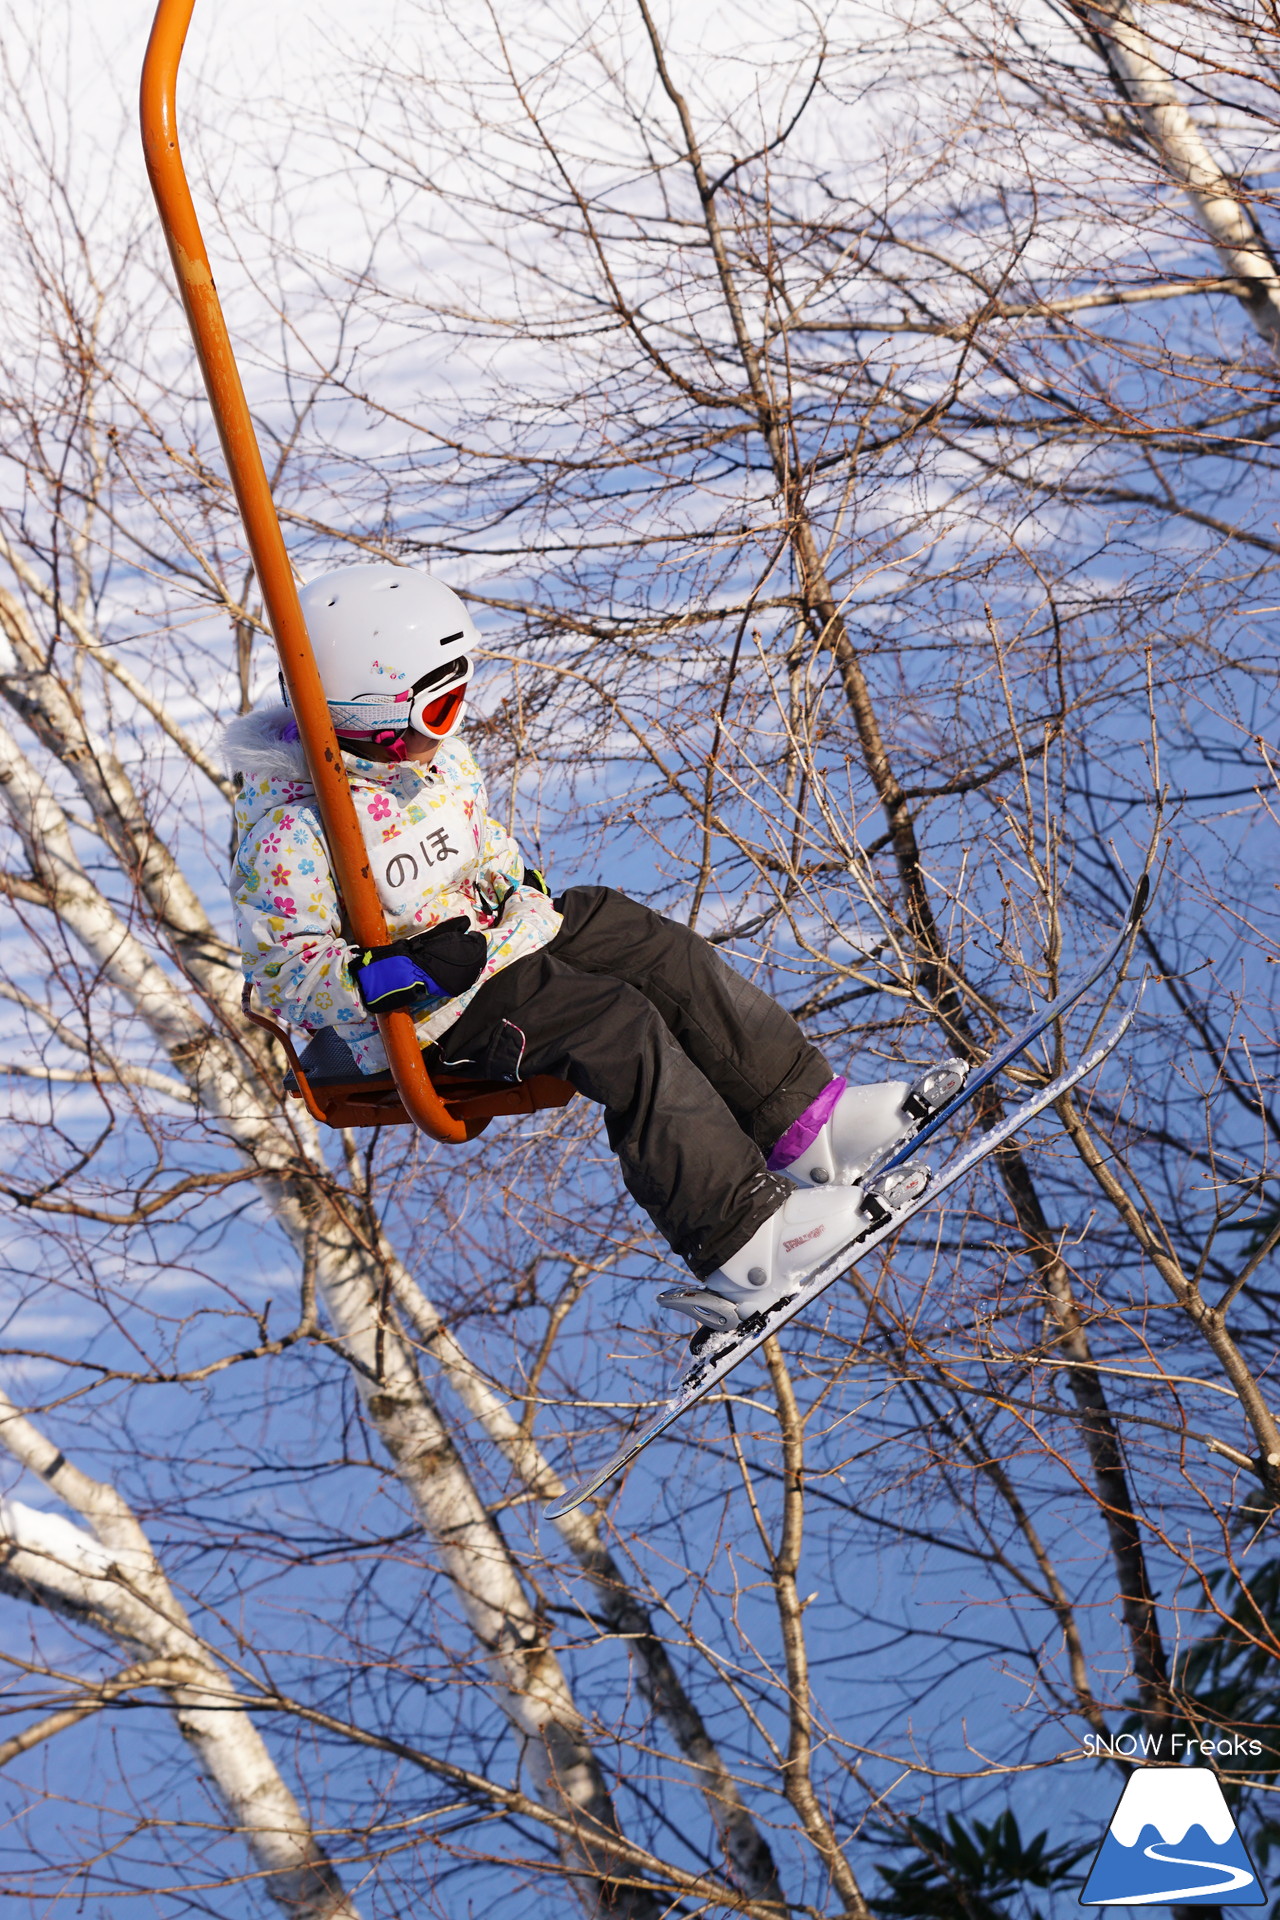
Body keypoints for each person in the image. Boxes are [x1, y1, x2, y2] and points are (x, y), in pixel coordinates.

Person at [224, 563, 946, 1340]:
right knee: (613, 1022)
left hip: (498, 948)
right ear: (364, 716)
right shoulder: (294, 831)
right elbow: (284, 972)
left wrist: (516, 900)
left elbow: (489, 854)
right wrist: (402, 970)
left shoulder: (435, 764)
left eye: (461, 697)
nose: (454, 724)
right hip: (422, 1019)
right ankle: (745, 1244)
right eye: (441, 705)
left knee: (630, 933)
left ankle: (806, 1124)